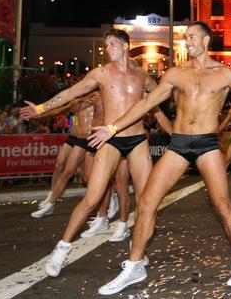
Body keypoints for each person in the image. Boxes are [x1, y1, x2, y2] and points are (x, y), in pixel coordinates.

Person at [88, 21, 231, 294]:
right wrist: (112, 128)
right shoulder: (175, 73)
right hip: (179, 143)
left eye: (192, 37)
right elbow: (146, 103)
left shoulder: (225, 74)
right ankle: (135, 265)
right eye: (186, 38)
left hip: (207, 144)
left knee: (222, 204)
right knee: (146, 201)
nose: (187, 42)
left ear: (206, 41)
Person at [21, 28, 160, 277]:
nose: (108, 48)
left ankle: (137, 250)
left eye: (113, 44)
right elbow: (70, 94)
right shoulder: (102, 73)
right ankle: (61, 250)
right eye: (106, 45)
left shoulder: (142, 76)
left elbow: (160, 95)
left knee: (146, 200)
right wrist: (41, 108)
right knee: (92, 198)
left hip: (138, 139)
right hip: (111, 139)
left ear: (126, 46)